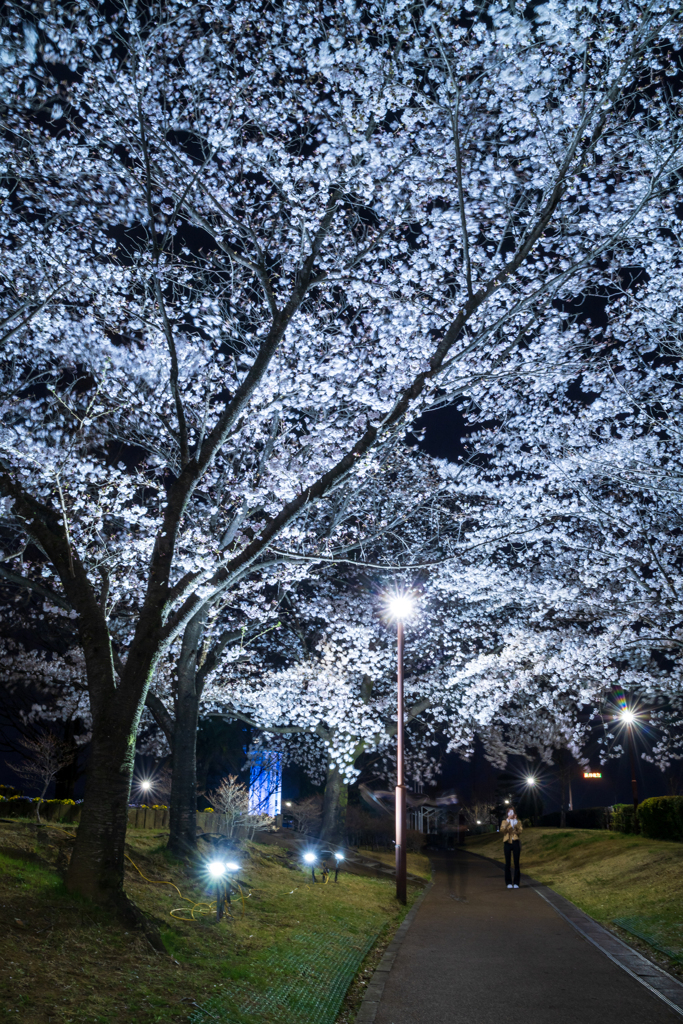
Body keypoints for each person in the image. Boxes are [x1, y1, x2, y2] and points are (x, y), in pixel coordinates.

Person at [501, 807, 523, 888]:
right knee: (507, 863)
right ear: (507, 813)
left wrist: (516, 821)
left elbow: (520, 831)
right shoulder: (504, 821)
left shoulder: (518, 821)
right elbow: (502, 830)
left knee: (516, 863)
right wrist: (508, 820)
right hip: (507, 842)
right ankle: (508, 882)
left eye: (512, 812)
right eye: (509, 812)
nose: (511, 814)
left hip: (515, 842)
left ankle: (516, 882)